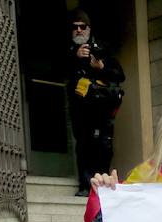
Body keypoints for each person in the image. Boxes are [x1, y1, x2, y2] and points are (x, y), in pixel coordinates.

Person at [67, 10, 125, 197]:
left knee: (103, 146)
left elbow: (120, 75)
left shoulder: (101, 48)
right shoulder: (68, 50)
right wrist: (75, 57)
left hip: (102, 107)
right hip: (81, 108)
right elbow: (59, 71)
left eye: (82, 26)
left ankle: (102, 184)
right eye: (74, 27)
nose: (78, 30)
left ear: (88, 28)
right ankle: (85, 185)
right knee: (83, 145)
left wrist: (101, 67)